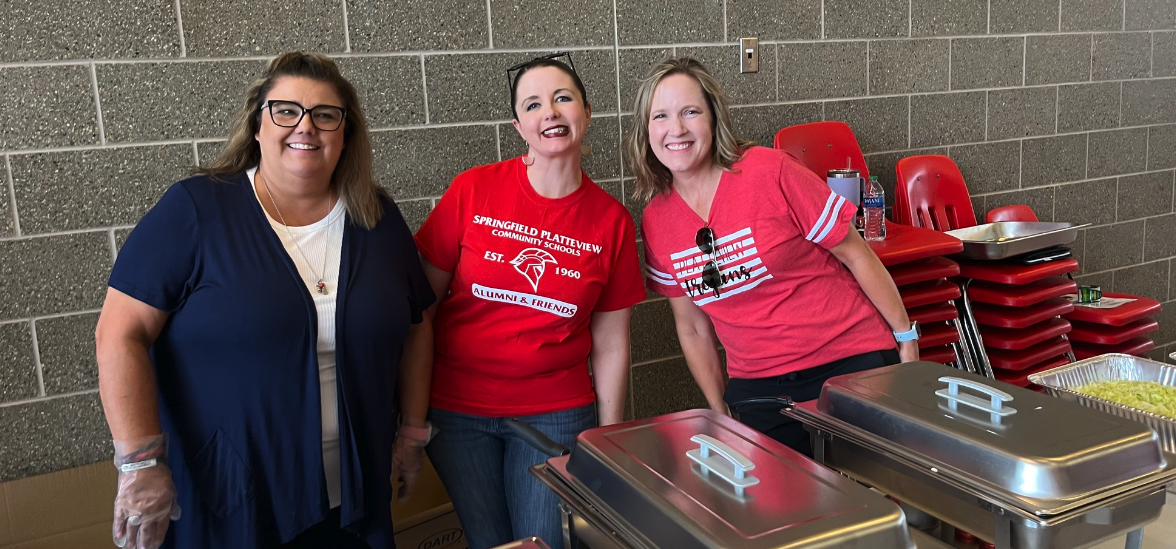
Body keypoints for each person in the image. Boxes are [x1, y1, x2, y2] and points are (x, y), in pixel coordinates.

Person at [95, 52, 435, 549]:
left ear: (346, 133)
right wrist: (140, 463)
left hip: (352, 501)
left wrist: (411, 433)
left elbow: (418, 324)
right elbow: (119, 332)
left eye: (325, 115)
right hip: (231, 501)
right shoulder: (196, 209)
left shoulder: (376, 217)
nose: (306, 127)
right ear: (258, 125)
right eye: (286, 111)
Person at [626, 57, 919, 455]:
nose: (676, 129)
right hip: (758, 388)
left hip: (849, 362)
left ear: (713, 117)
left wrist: (906, 339)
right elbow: (692, 327)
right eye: (660, 116)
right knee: (787, 509)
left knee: (870, 503)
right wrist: (718, 407)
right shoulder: (657, 220)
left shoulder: (771, 171)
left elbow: (856, 254)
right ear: (646, 131)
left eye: (690, 112)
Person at [413, 52, 646, 549]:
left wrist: (609, 437)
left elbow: (610, 343)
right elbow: (420, 307)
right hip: (458, 410)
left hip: (556, 412)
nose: (551, 113)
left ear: (586, 113)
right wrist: (411, 416)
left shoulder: (611, 222)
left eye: (563, 98)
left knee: (545, 543)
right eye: (534, 104)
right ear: (518, 125)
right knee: (488, 540)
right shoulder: (473, 190)